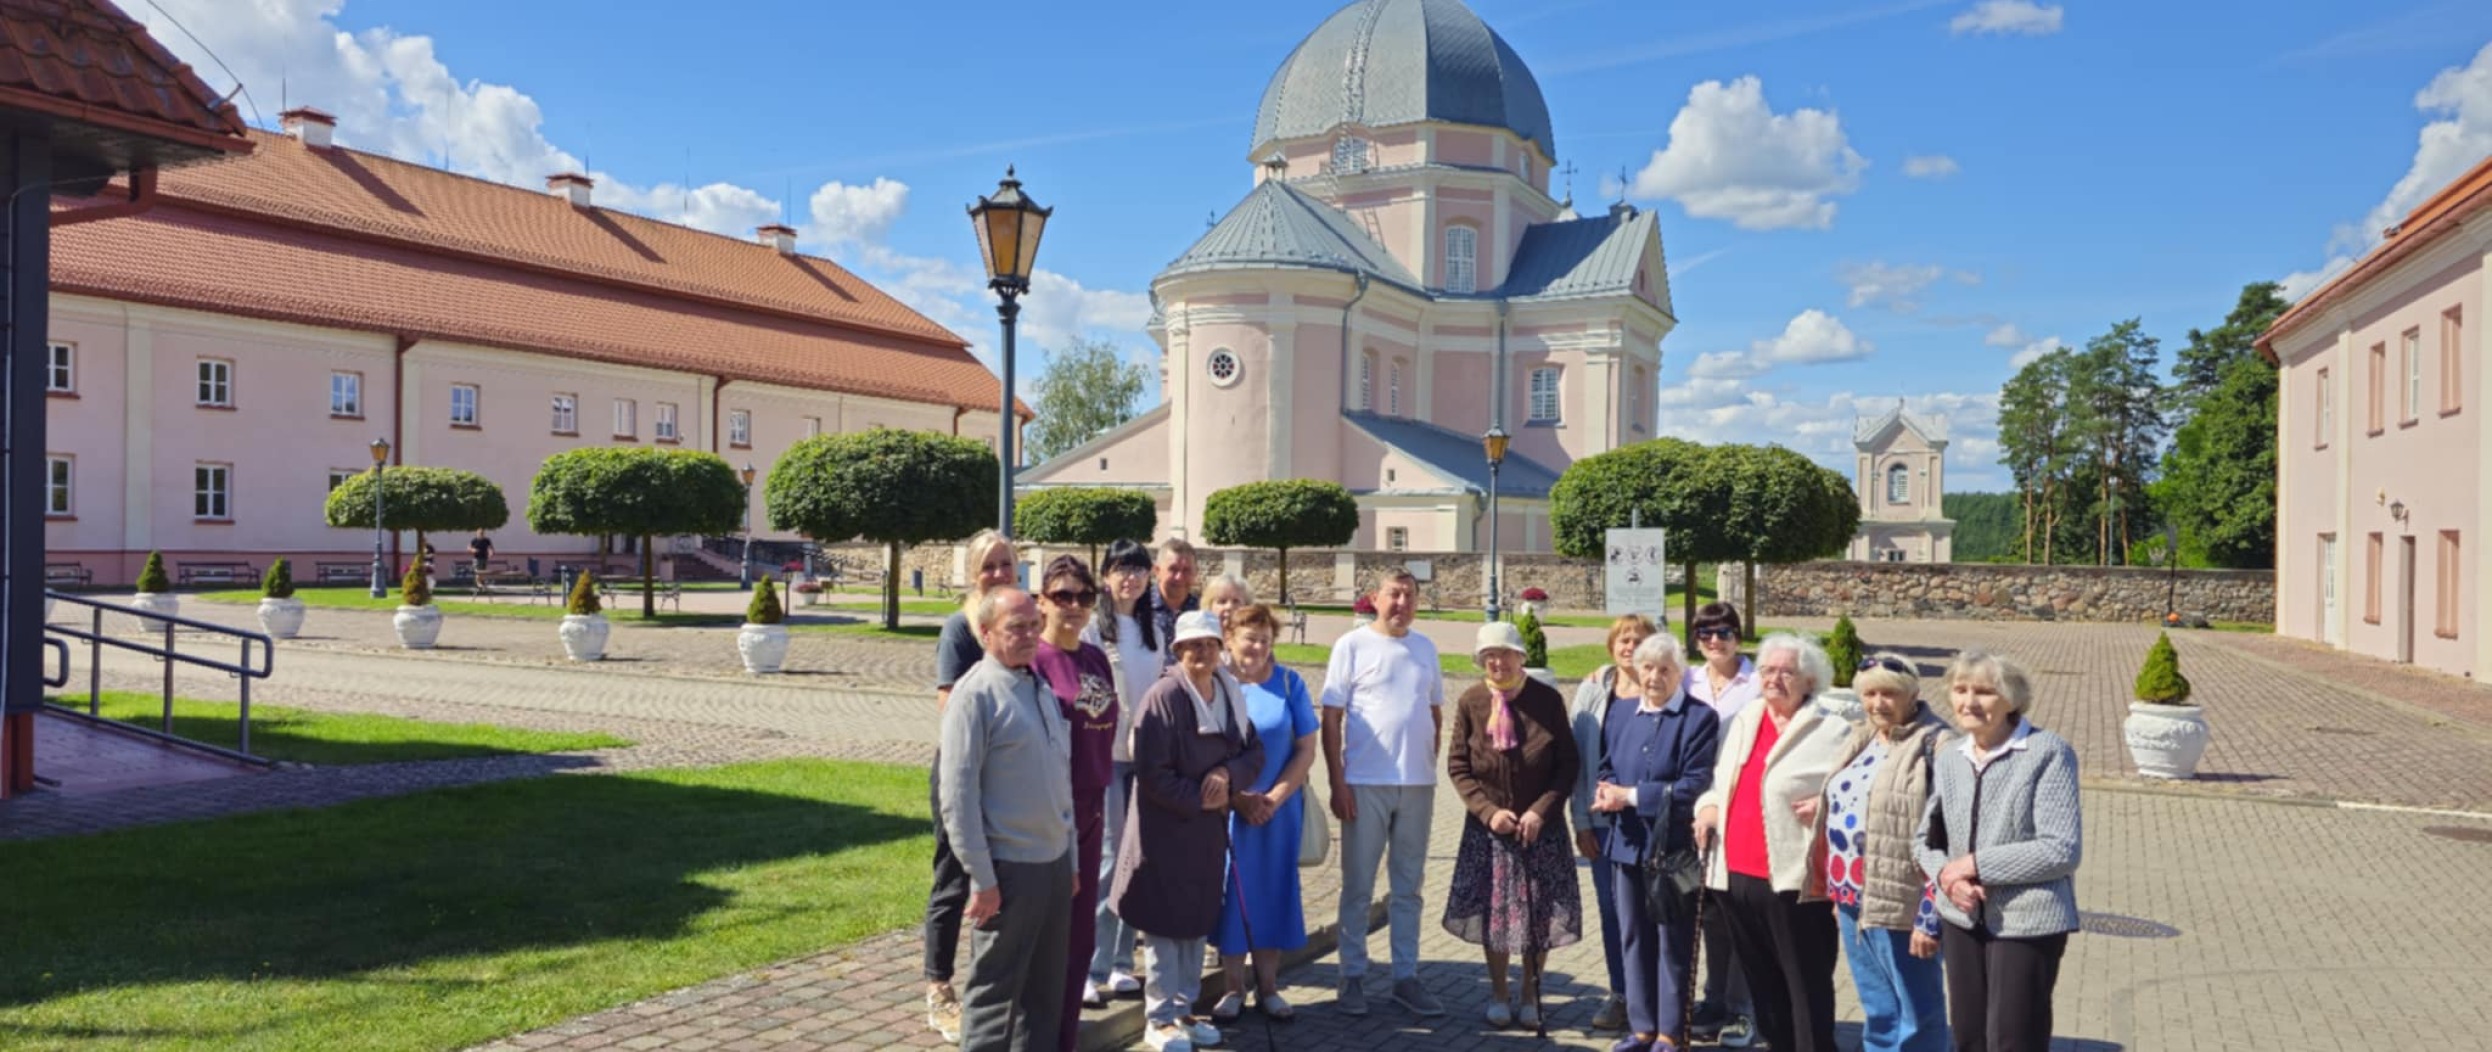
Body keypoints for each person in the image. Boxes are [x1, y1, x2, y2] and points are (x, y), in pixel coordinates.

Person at [1692, 632, 1853, 1052]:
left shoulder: (1832, 729)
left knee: (1806, 985)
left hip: (1795, 881)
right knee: (1763, 985)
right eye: (1767, 670)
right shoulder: (1746, 718)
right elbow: (1721, 781)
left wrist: (1828, 804)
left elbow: (1858, 792)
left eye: (1787, 672)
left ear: (1809, 680)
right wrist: (1708, 807)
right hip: (1735, 876)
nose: (1774, 679)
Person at [1113, 610, 1264, 1052]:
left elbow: (1253, 752)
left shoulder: (1229, 692)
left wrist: (1228, 775)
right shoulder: (1162, 697)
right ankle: (1159, 1017)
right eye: (1193, 645)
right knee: (1164, 923)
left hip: (1206, 835)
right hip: (1165, 831)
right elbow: (1151, 773)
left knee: (1197, 920)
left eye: (1211, 644)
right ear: (1178, 650)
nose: (1203, 652)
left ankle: (1184, 1008)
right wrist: (1202, 797)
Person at [1915, 650, 2081, 1052]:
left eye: (1985, 692)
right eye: (1960, 690)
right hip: (1961, 916)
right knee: (1969, 1036)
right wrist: (1948, 878)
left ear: (2012, 699)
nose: (1969, 702)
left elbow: (2061, 849)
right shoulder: (1951, 756)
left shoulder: (2048, 752)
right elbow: (1926, 840)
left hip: (2027, 920)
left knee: (2013, 1038)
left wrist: (1973, 865)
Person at [936, 588, 1077, 1052]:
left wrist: (1071, 860)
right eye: (1016, 627)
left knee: (1044, 996)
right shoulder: (974, 695)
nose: (1030, 635)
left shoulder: (1039, 687)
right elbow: (957, 797)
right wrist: (982, 877)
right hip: (1009, 869)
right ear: (985, 632)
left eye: (1035, 624)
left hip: (1054, 864)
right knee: (994, 998)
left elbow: (1060, 780)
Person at [1320, 571, 1447, 1018]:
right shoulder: (1351, 646)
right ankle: (1352, 975)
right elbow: (1331, 718)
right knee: (1358, 886)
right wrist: (1338, 782)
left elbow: (1434, 712)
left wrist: (1425, 763)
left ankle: (1405, 977)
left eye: (1410, 596)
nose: (1402, 603)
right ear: (1374, 598)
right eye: (1394, 594)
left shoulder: (1425, 648)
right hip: (1364, 783)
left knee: (1408, 887)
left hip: (1417, 785)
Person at [1444, 621, 1582, 1031]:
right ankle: (1499, 994)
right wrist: (1488, 811)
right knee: (1496, 915)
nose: (1497, 662)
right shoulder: (1471, 701)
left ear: (1521, 657)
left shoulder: (1547, 700)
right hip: (1490, 832)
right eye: (1489, 655)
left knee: (1538, 914)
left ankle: (1530, 994)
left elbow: (1567, 764)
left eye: (1504, 653)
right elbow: (1458, 765)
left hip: (1540, 829)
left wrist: (1540, 811)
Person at [1589, 634, 1722, 1052]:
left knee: (1672, 941)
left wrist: (1628, 796)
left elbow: (1693, 785)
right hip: (1627, 843)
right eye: (1647, 668)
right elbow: (1607, 766)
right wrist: (1605, 791)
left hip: (1675, 850)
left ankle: (1670, 1032)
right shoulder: (1620, 712)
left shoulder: (1699, 718)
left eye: (1665, 669)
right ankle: (1642, 1027)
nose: (1654, 677)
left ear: (1680, 673)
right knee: (1633, 937)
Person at [1823, 652, 1952, 1052]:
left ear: (1912, 694)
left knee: (1917, 1007)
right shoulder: (1862, 737)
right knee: (1877, 1004)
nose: (1878, 703)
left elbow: (1949, 835)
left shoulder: (1937, 744)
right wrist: (1836, 892)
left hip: (1903, 900)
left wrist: (1930, 914)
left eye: (1889, 693)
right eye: (1870, 694)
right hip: (1851, 895)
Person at [924, 529, 1022, 1042]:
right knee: (953, 879)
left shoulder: (1023, 623)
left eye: (1006, 564)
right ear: (973, 574)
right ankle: (939, 988)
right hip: (962, 771)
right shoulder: (960, 629)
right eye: (988, 566)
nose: (999, 573)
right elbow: (949, 705)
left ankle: (997, 986)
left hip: (1008, 773)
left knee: (1003, 879)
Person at [1210, 603, 1319, 1023]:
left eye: (1265, 640)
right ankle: (1233, 988)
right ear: (1230, 639)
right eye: (1249, 638)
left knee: (1273, 892)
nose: (1257, 647)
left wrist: (1274, 797)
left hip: (1278, 812)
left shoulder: (1289, 683)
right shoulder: (1215, 684)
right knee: (1231, 896)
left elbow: (1305, 749)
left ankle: (1269, 987)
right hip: (1227, 811)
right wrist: (1238, 798)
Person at [1030, 556, 1120, 1052]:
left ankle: (1064, 1040)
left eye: (1084, 596)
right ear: (1042, 601)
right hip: (1050, 814)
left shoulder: (1095, 658)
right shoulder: (1035, 661)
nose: (1074, 605)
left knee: (1080, 940)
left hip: (1093, 808)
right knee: (1047, 940)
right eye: (1062, 595)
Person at [1079, 539, 1161, 1005]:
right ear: (1106, 576)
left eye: (1138, 570)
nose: (1130, 578)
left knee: (1138, 859)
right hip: (1108, 757)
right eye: (1121, 569)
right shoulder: (1094, 629)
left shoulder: (1155, 632)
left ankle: (1121, 962)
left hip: (1145, 760)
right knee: (1109, 860)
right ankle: (1090, 966)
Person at [1570, 614, 1659, 1033]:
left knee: (1653, 909)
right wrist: (1581, 821)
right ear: (1611, 646)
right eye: (1623, 639)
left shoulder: (1665, 688)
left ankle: (1656, 996)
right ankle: (1621, 993)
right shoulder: (1592, 691)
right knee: (1612, 910)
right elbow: (1576, 761)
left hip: (1651, 821)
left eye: (1639, 640)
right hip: (1603, 823)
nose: (1630, 647)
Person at [1683, 602, 1761, 1048]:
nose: (1715, 641)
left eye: (1724, 632)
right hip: (1694, 808)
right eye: (1705, 633)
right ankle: (1714, 1001)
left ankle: (1743, 1008)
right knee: (1710, 912)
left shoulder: (1758, 682)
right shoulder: (1688, 679)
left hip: (1741, 808)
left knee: (1741, 912)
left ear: (1738, 636)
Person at [1144, 538, 1200, 667]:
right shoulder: (1139, 608)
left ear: (1195, 573)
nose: (1179, 577)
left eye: (1186, 570)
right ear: (1157, 571)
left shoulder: (1201, 611)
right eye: (1173, 569)